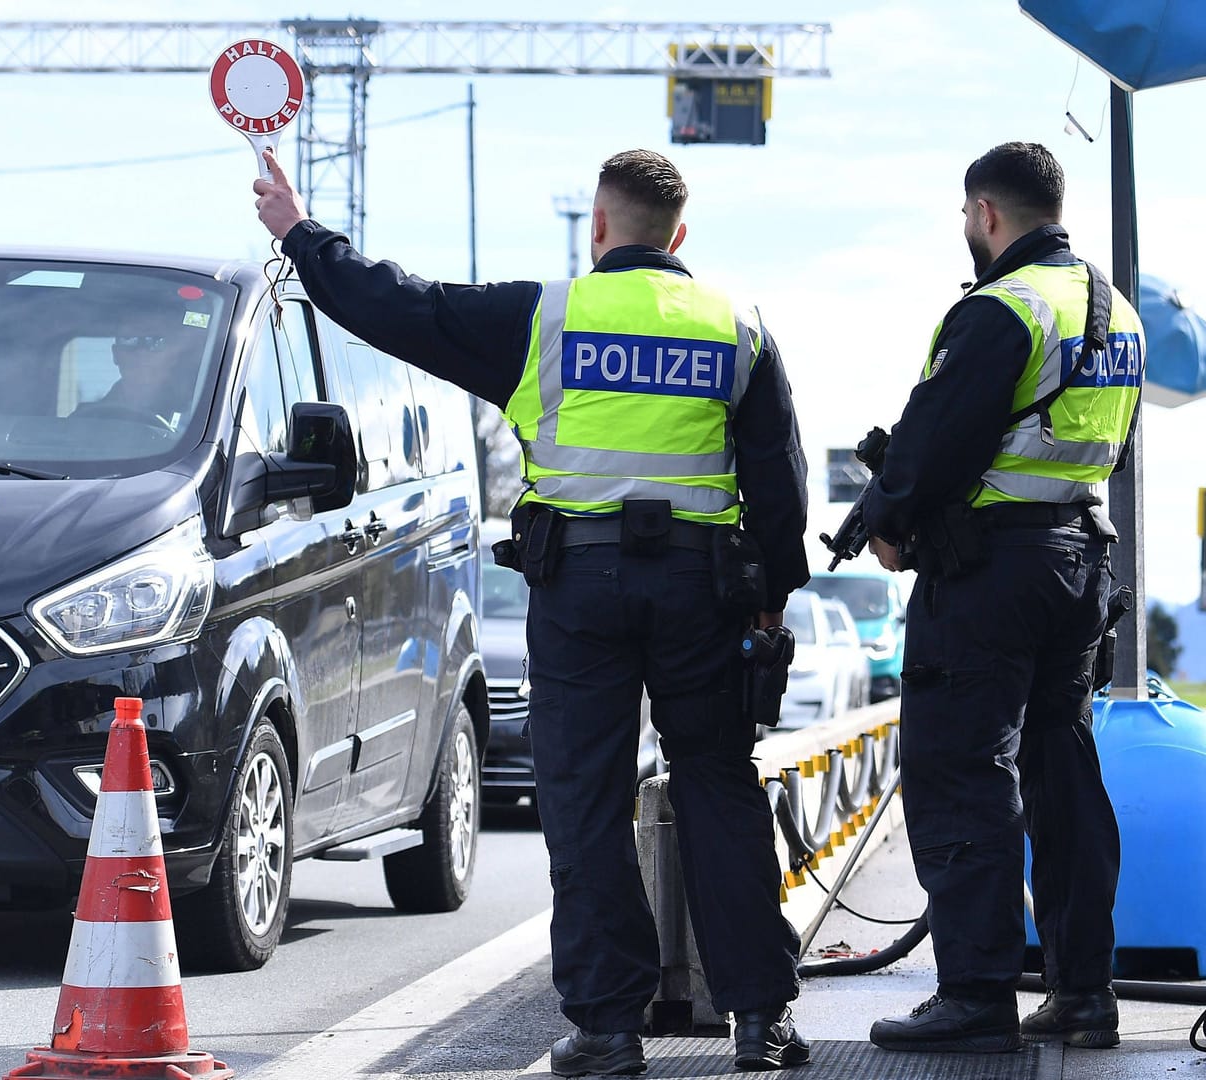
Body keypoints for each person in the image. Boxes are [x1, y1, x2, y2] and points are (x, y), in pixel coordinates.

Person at [254, 147, 813, 1076]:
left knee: (585, 803)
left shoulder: (545, 317)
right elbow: (781, 487)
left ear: (599, 228)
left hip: (578, 588)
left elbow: (402, 305)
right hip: (700, 590)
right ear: (679, 237)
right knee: (718, 790)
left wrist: (301, 235)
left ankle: (608, 1029)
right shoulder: (738, 327)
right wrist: (769, 603)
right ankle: (758, 1021)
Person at [862, 142, 1142, 1054]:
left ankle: (977, 996)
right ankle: (1084, 994)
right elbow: (1112, 447)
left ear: (986, 214)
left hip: (991, 576)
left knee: (960, 771)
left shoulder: (1000, 309)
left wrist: (890, 519)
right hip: (1079, 561)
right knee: (1061, 772)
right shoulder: (1115, 311)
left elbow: (934, 443)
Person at [76, 308, 204, 430]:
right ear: (115, 354)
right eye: (129, 340)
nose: (141, 353)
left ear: (173, 355)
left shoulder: (202, 421)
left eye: (154, 341)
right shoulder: (84, 421)